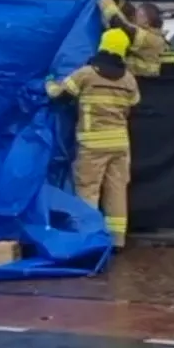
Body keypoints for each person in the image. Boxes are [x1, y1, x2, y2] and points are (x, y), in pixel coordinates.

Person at [48, 28, 140, 249]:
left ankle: (89, 239)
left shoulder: (87, 74)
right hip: (120, 143)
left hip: (92, 143)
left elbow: (59, 96)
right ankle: (118, 240)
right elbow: (134, 104)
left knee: (88, 189)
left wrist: (50, 82)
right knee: (117, 191)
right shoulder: (129, 79)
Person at [121, 1, 174, 79]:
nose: (134, 20)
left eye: (137, 16)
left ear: (146, 22)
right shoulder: (164, 43)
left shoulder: (147, 37)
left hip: (144, 85)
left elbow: (120, 24)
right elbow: (130, 13)